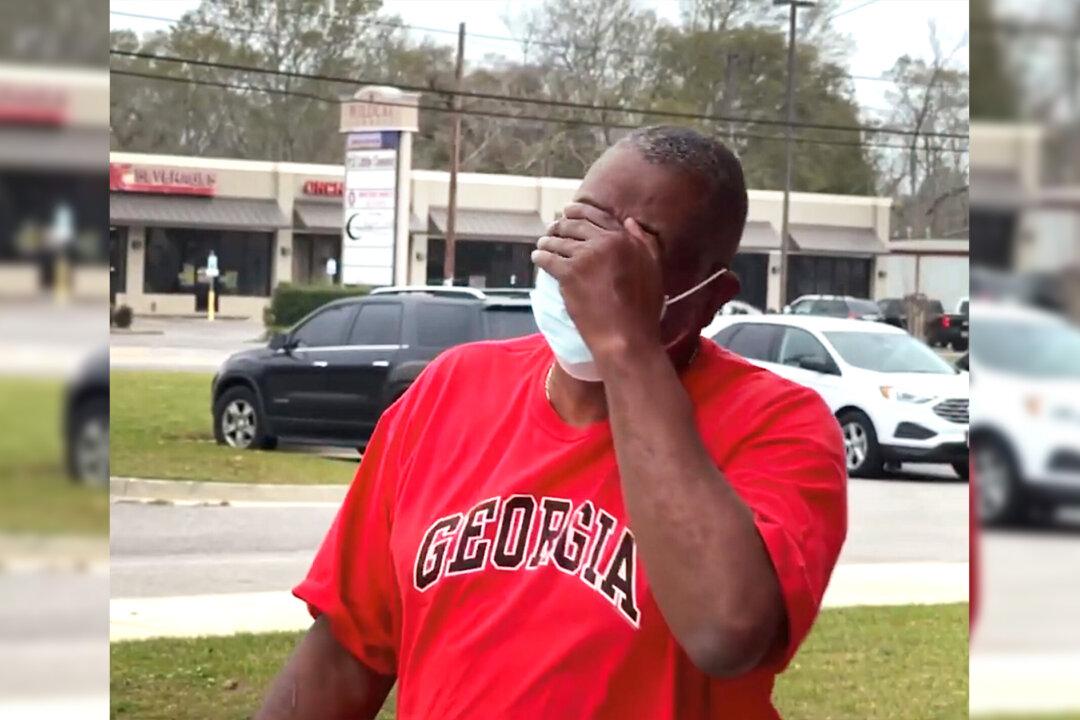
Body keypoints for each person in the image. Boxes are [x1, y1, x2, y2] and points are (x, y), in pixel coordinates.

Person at [254, 125, 847, 720]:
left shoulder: (779, 424)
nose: (588, 262)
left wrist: (625, 345)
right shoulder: (450, 390)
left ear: (709, 297)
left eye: (636, 250)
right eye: (582, 224)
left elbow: (726, 630)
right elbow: (346, 653)